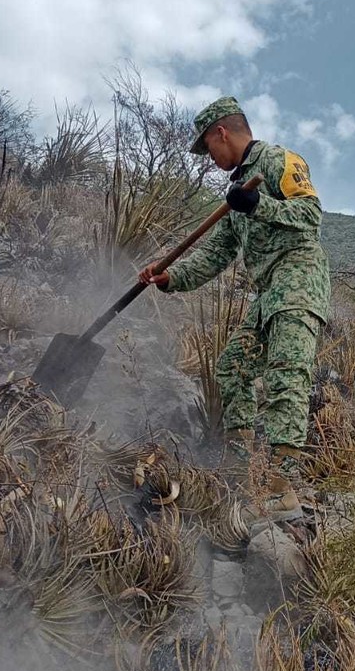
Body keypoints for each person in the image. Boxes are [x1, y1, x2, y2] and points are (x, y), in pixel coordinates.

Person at [138, 97, 330, 465]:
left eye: (207, 146)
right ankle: (240, 464)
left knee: (287, 372)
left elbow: (310, 215)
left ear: (220, 133)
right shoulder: (237, 190)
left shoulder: (279, 160)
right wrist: (171, 277)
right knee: (232, 369)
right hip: (267, 294)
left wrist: (259, 204)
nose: (208, 158)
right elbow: (217, 252)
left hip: (299, 279)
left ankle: (281, 483)